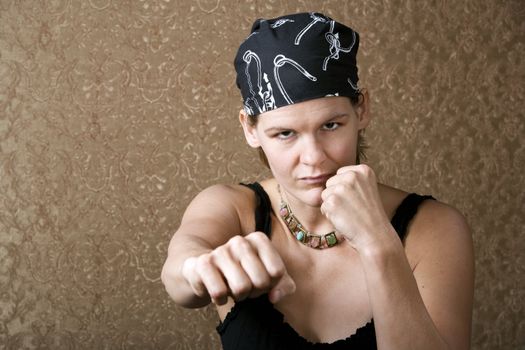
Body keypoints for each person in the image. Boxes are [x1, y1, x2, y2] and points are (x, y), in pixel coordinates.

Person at [161, 12, 474, 349]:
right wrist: (199, 269)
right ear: (250, 130)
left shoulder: (435, 227)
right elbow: (180, 269)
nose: (313, 157)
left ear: (361, 110)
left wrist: (379, 244)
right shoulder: (232, 210)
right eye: (285, 133)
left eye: (330, 126)